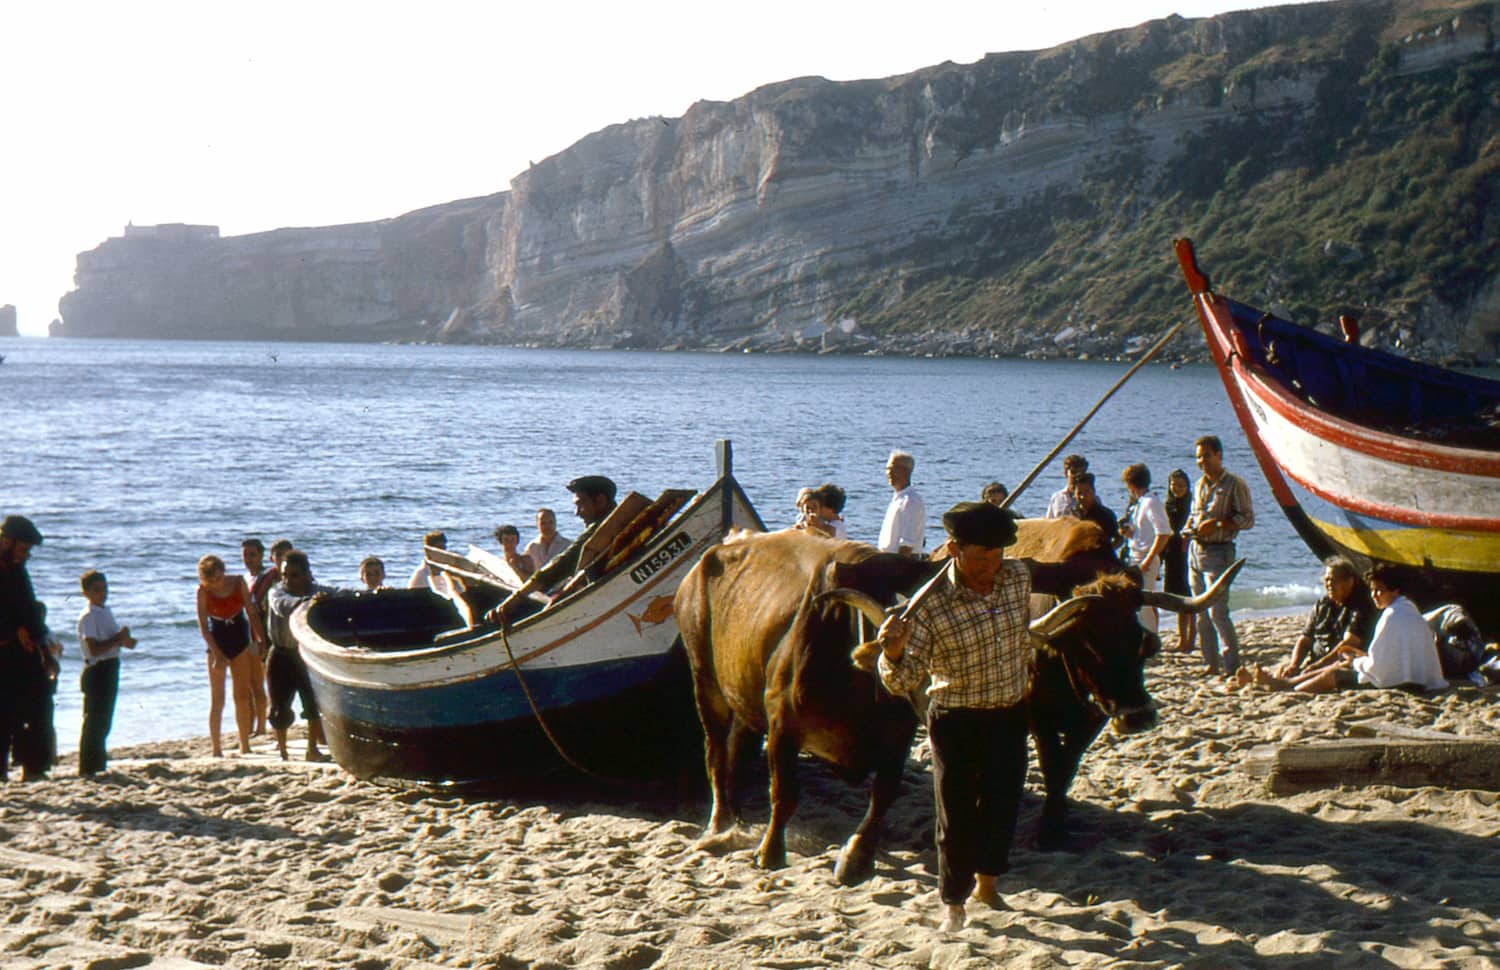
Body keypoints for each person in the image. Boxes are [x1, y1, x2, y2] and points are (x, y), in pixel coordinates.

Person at [874, 502, 1034, 933]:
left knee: (1003, 805)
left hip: (1010, 711)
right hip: (956, 719)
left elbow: (1023, 632)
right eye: (980, 557)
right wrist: (891, 652)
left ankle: (988, 885)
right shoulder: (927, 608)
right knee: (957, 816)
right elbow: (902, 679)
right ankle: (953, 902)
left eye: (997, 555)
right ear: (953, 549)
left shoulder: (1017, 578)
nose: (990, 567)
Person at [1249, 565, 1446, 693]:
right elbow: (1387, 655)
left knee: (1335, 672)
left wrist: (1358, 661)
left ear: (1395, 591)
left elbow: (1379, 668)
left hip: (1401, 682)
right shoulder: (1407, 608)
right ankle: (1286, 684)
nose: (1375, 595)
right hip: (1414, 676)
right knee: (1344, 663)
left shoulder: (1392, 615)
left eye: (1380, 590)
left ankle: (1288, 687)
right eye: (1372, 590)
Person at [487, 476, 618, 621]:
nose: (577, 512)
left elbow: (562, 564)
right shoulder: (615, 523)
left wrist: (516, 598)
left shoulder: (603, 529)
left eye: (580, 504)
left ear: (600, 500)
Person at [1187, 435, 1254, 676]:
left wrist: (1216, 525)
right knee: (1200, 612)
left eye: (1206, 456)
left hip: (1219, 552)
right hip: (1195, 552)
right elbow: (1195, 515)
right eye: (1198, 457)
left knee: (1218, 612)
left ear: (1218, 455)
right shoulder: (1198, 485)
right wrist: (1189, 528)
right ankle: (1210, 663)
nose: (1202, 461)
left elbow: (1247, 519)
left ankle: (1231, 665)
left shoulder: (1235, 485)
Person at [196, 554, 268, 757]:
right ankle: (216, 748)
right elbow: (204, 628)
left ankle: (245, 743)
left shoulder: (237, 582)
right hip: (217, 640)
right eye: (211, 580)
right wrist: (218, 655)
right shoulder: (202, 591)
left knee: (242, 695)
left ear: (223, 572)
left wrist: (261, 638)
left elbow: (252, 612)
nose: (216, 584)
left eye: (218, 578)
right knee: (217, 699)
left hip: (239, 638)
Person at [266, 550, 330, 762]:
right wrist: (312, 602)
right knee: (279, 707)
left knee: (312, 704)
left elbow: (339, 593)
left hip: (304, 654)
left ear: (306, 574)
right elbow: (283, 606)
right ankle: (283, 752)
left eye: (293, 575)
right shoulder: (277, 592)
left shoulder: (316, 589)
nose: (288, 580)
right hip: (280, 653)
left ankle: (312, 749)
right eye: (285, 574)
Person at [1267, 557, 1377, 679]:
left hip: (1339, 664)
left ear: (1349, 582)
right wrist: (1294, 665)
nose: (1329, 584)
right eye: (1326, 580)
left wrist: (1319, 665)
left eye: (1334, 580)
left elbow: (1350, 643)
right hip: (1316, 662)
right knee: (1286, 673)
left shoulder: (1361, 606)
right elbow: (1305, 639)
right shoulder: (1323, 604)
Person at [0, 515, 47, 782]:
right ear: (7, 541)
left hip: (23, 651)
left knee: (37, 706)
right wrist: (11, 630)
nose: (25, 555)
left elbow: (29, 606)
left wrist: (38, 639)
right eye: (22, 549)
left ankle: (34, 768)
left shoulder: (17, 569)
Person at [76, 570, 137, 776]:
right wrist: (118, 639)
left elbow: (118, 642)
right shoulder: (89, 616)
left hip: (110, 666)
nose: (103, 593)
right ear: (86, 593)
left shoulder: (105, 612)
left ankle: (97, 763)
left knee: (104, 719)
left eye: (104, 589)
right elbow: (94, 648)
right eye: (97, 590)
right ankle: (88, 766)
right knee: (94, 719)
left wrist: (126, 640)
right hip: (97, 669)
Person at [1119, 464, 1172, 634]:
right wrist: (1130, 532)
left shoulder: (1151, 502)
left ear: (1131, 484)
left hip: (1144, 558)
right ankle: (1144, 637)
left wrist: (1148, 560)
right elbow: (1145, 531)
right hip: (1135, 555)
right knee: (1137, 604)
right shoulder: (1140, 503)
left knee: (1144, 604)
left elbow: (1163, 533)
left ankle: (1150, 639)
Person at [240, 538, 273, 736]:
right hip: (247, 636)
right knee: (251, 683)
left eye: (252, 555)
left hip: (264, 634)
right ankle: (252, 725)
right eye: (245, 555)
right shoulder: (245, 579)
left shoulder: (268, 578)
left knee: (263, 683)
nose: (249, 559)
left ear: (261, 555)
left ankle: (262, 726)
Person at [1162, 469, 1195, 654]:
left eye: (1181, 486)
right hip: (1172, 556)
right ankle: (1182, 639)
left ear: (1187, 487)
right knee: (1179, 600)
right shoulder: (1168, 504)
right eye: (1174, 485)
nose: (1177, 489)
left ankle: (1190, 639)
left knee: (1190, 598)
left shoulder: (1192, 505)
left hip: (1187, 554)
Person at [878, 451, 925, 556]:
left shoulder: (911, 501)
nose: (889, 473)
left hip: (901, 563)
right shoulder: (898, 499)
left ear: (906, 471)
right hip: (887, 560)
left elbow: (907, 544)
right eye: (887, 469)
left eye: (893, 469)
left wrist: (897, 570)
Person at [1068, 473, 1121, 556]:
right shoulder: (1072, 513)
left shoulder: (1105, 515)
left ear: (1093, 492)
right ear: (1074, 494)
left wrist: (1106, 552)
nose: (1083, 496)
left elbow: (1119, 539)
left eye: (1087, 492)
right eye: (1079, 493)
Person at [407, 530, 453, 598]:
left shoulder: (442, 568)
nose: (443, 552)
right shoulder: (423, 572)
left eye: (444, 548)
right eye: (439, 548)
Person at [523, 508, 569, 573]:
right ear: (537, 525)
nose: (547, 526)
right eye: (543, 523)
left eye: (550, 522)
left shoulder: (567, 545)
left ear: (555, 523)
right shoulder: (531, 547)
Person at [1045, 455, 1088, 519]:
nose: (1076, 476)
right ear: (1065, 473)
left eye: (1080, 473)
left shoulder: (1091, 499)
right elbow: (1049, 522)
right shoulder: (1057, 497)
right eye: (1073, 472)